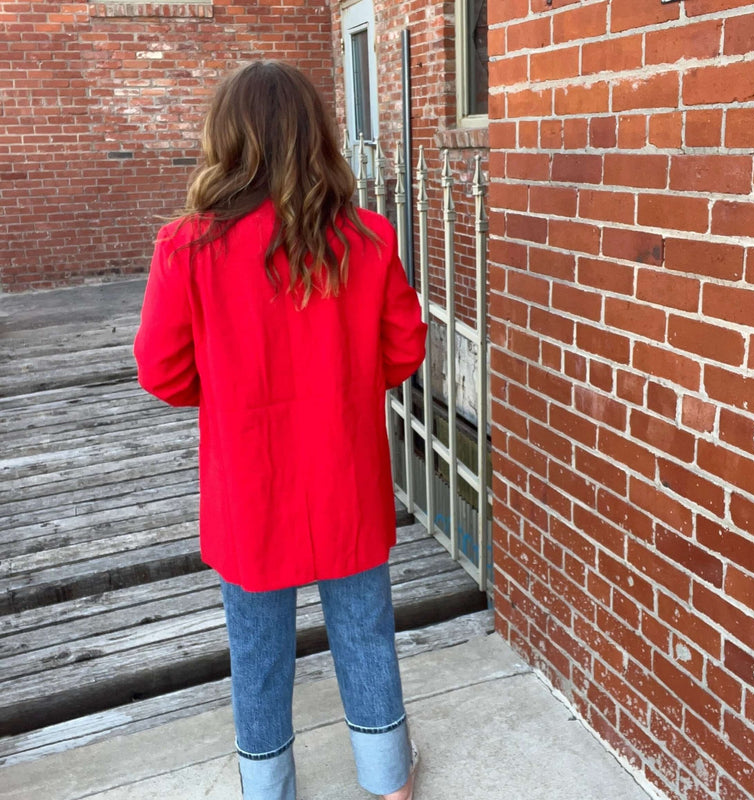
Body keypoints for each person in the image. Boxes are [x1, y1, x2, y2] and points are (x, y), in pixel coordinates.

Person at [133, 61, 427, 800]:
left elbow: (162, 372)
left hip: (248, 484)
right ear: (316, 137)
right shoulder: (367, 237)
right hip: (345, 474)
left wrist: (232, 389)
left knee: (255, 649)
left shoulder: (187, 247)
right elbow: (404, 351)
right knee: (365, 630)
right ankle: (388, 780)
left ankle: (268, 790)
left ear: (226, 140)